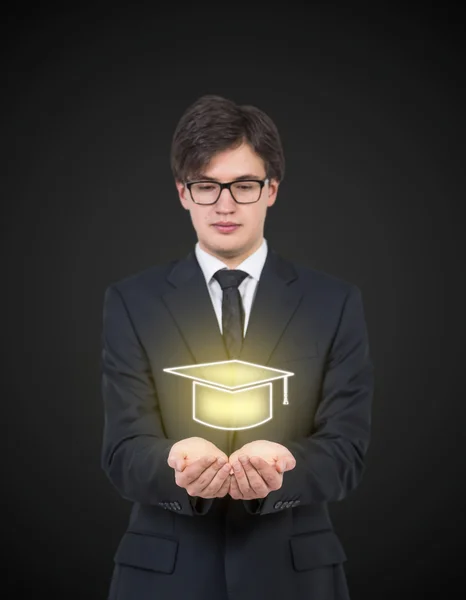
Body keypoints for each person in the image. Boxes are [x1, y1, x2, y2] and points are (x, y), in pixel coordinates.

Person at [100, 94, 374, 600]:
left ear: (271, 190)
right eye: (206, 186)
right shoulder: (131, 300)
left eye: (243, 185)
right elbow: (122, 451)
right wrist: (175, 463)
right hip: (163, 577)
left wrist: (284, 466)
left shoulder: (334, 301)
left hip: (295, 576)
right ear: (183, 193)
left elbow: (346, 451)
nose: (224, 205)